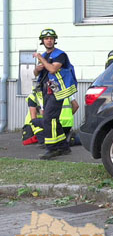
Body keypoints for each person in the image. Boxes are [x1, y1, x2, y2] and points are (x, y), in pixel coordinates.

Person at [32, 28, 77, 160]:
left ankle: (51, 148)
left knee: (48, 118)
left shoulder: (60, 55)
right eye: (46, 39)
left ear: (54, 40)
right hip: (46, 90)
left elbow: (52, 69)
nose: (49, 41)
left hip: (57, 91)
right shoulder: (44, 56)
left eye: (51, 38)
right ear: (43, 41)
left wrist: (41, 59)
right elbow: (36, 74)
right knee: (54, 119)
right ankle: (63, 147)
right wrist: (37, 68)